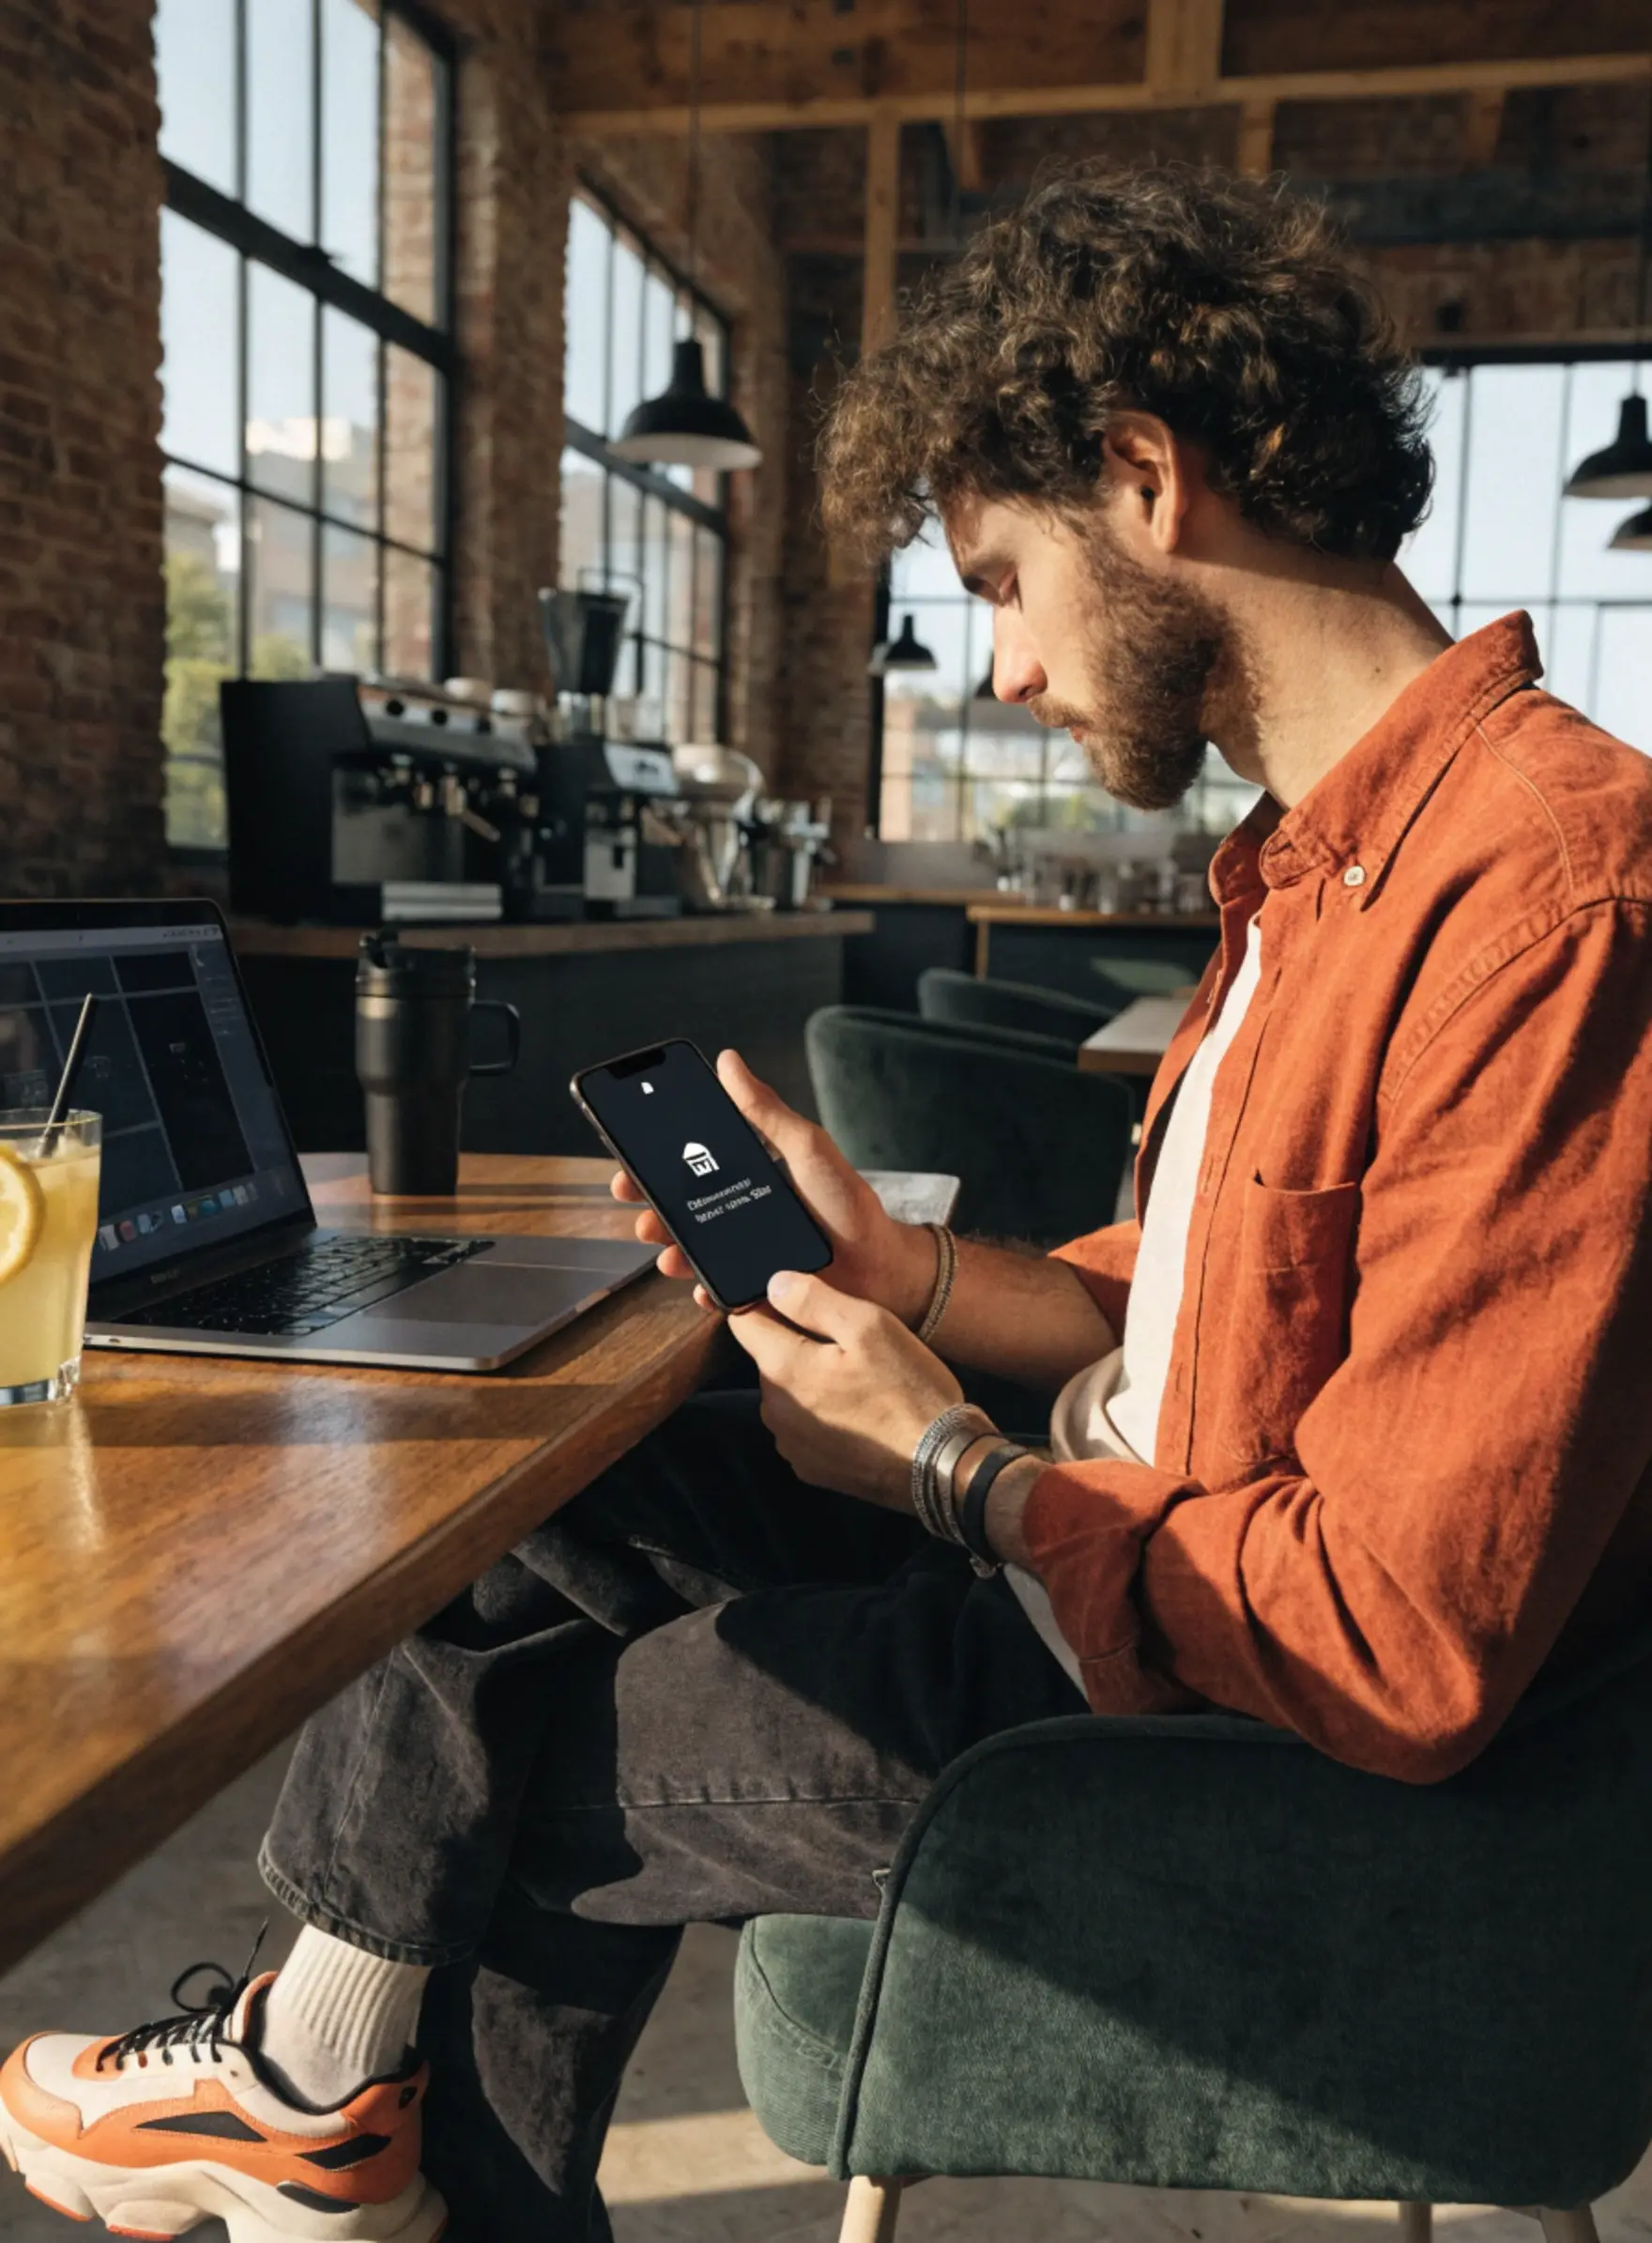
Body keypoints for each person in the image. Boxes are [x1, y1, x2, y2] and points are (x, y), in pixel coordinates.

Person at [7, 159, 1652, 2243]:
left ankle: (308, 2096)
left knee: (515, 1771)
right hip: (1126, 1537)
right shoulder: (1316, 860)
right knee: (539, 1465)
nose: (1004, 673)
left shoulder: (1553, 896)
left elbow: (1395, 1644)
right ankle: (307, 2101)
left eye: (995, 580)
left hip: (1189, 1689)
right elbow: (1208, 1305)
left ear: (1146, 478)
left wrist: (949, 1471)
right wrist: (916, 1277)